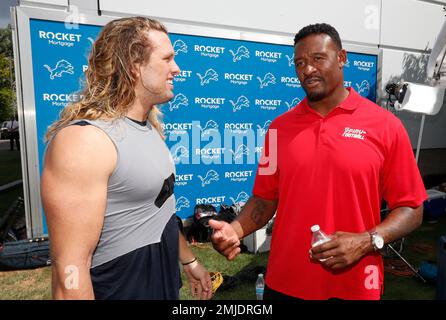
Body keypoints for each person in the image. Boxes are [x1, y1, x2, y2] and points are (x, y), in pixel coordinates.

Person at [209, 23, 427, 300]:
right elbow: (264, 199)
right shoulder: (278, 129)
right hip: (284, 283)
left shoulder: (385, 126)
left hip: (356, 286)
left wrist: (366, 241)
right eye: (299, 62)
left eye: (317, 59)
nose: (307, 69)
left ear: (342, 58)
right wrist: (234, 230)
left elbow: (411, 208)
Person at [41, 17, 212, 300]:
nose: (176, 69)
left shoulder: (150, 129)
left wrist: (189, 261)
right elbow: (70, 268)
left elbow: (160, 209)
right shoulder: (85, 141)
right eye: (167, 58)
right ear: (134, 67)